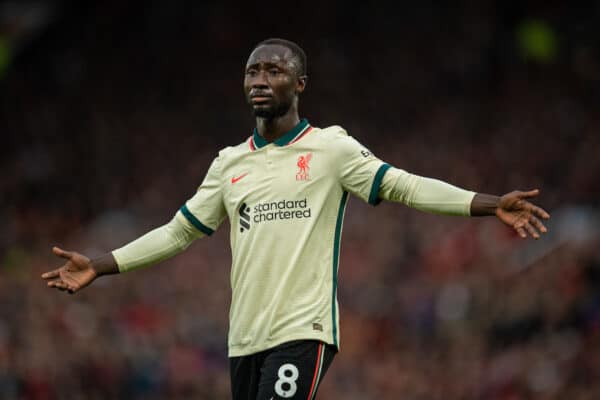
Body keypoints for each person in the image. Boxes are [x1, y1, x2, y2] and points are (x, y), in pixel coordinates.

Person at [42, 38, 550, 399]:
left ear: (300, 83)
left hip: (302, 331)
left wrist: (487, 203)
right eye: (252, 71)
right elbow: (178, 232)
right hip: (243, 338)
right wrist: (101, 265)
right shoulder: (228, 163)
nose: (261, 80)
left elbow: (404, 184)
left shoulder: (331, 148)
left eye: (274, 71)